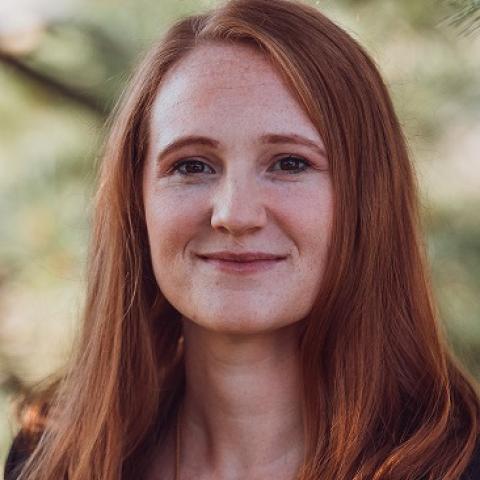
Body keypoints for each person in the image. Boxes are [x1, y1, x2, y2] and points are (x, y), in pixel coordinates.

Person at [4, 0, 480, 478]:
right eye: (192, 165)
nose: (234, 215)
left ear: (368, 197)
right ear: (137, 202)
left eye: (290, 163)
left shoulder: (462, 462)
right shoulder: (52, 458)